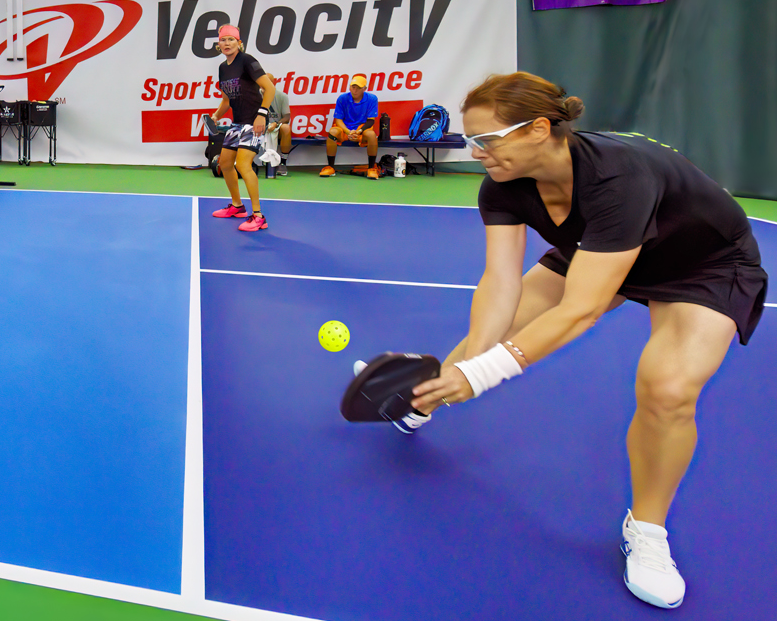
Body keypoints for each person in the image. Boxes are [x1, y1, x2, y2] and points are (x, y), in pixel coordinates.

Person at [405, 72, 766, 609]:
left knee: (668, 389)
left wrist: (483, 374)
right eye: (471, 139)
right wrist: (472, 356)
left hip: (702, 264)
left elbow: (582, 309)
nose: (476, 151)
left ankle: (647, 530)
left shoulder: (618, 177)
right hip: (603, 247)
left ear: (538, 129)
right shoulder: (502, 183)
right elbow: (500, 283)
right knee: (503, 324)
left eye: (487, 139)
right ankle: (419, 398)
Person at [208, 24, 277, 232]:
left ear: (239, 43)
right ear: (218, 44)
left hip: (254, 120)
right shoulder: (223, 68)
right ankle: (237, 206)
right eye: (223, 40)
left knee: (243, 164)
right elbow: (227, 99)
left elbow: (269, 88)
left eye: (231, 39)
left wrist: (262, 114)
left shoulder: (247, 61)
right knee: (225, 163)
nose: (226, 43)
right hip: (237, 122)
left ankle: (258, 216)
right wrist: (216, 116)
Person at [320, 75, 380, 180]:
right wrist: (348, 132)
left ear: (364, 89)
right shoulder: (342, 98)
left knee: (371, 135)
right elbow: (338, 120)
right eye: (353, 87)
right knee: (332, 132)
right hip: (345, 130)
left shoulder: (372, 99)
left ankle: (371, 169)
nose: (354, 90)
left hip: (362, 130)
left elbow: (371, 121)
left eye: (358, 88)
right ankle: (330, 167)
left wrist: (359, 131)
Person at [264, 73, 292, 176]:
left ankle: (283, 163)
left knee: (286, 128)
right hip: (260, 126)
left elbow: (287, 117)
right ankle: (249, 163)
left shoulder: (282, 96)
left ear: (274, 82)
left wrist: (276, 124)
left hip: (276, 127)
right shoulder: (255, 95)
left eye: (269, 82)